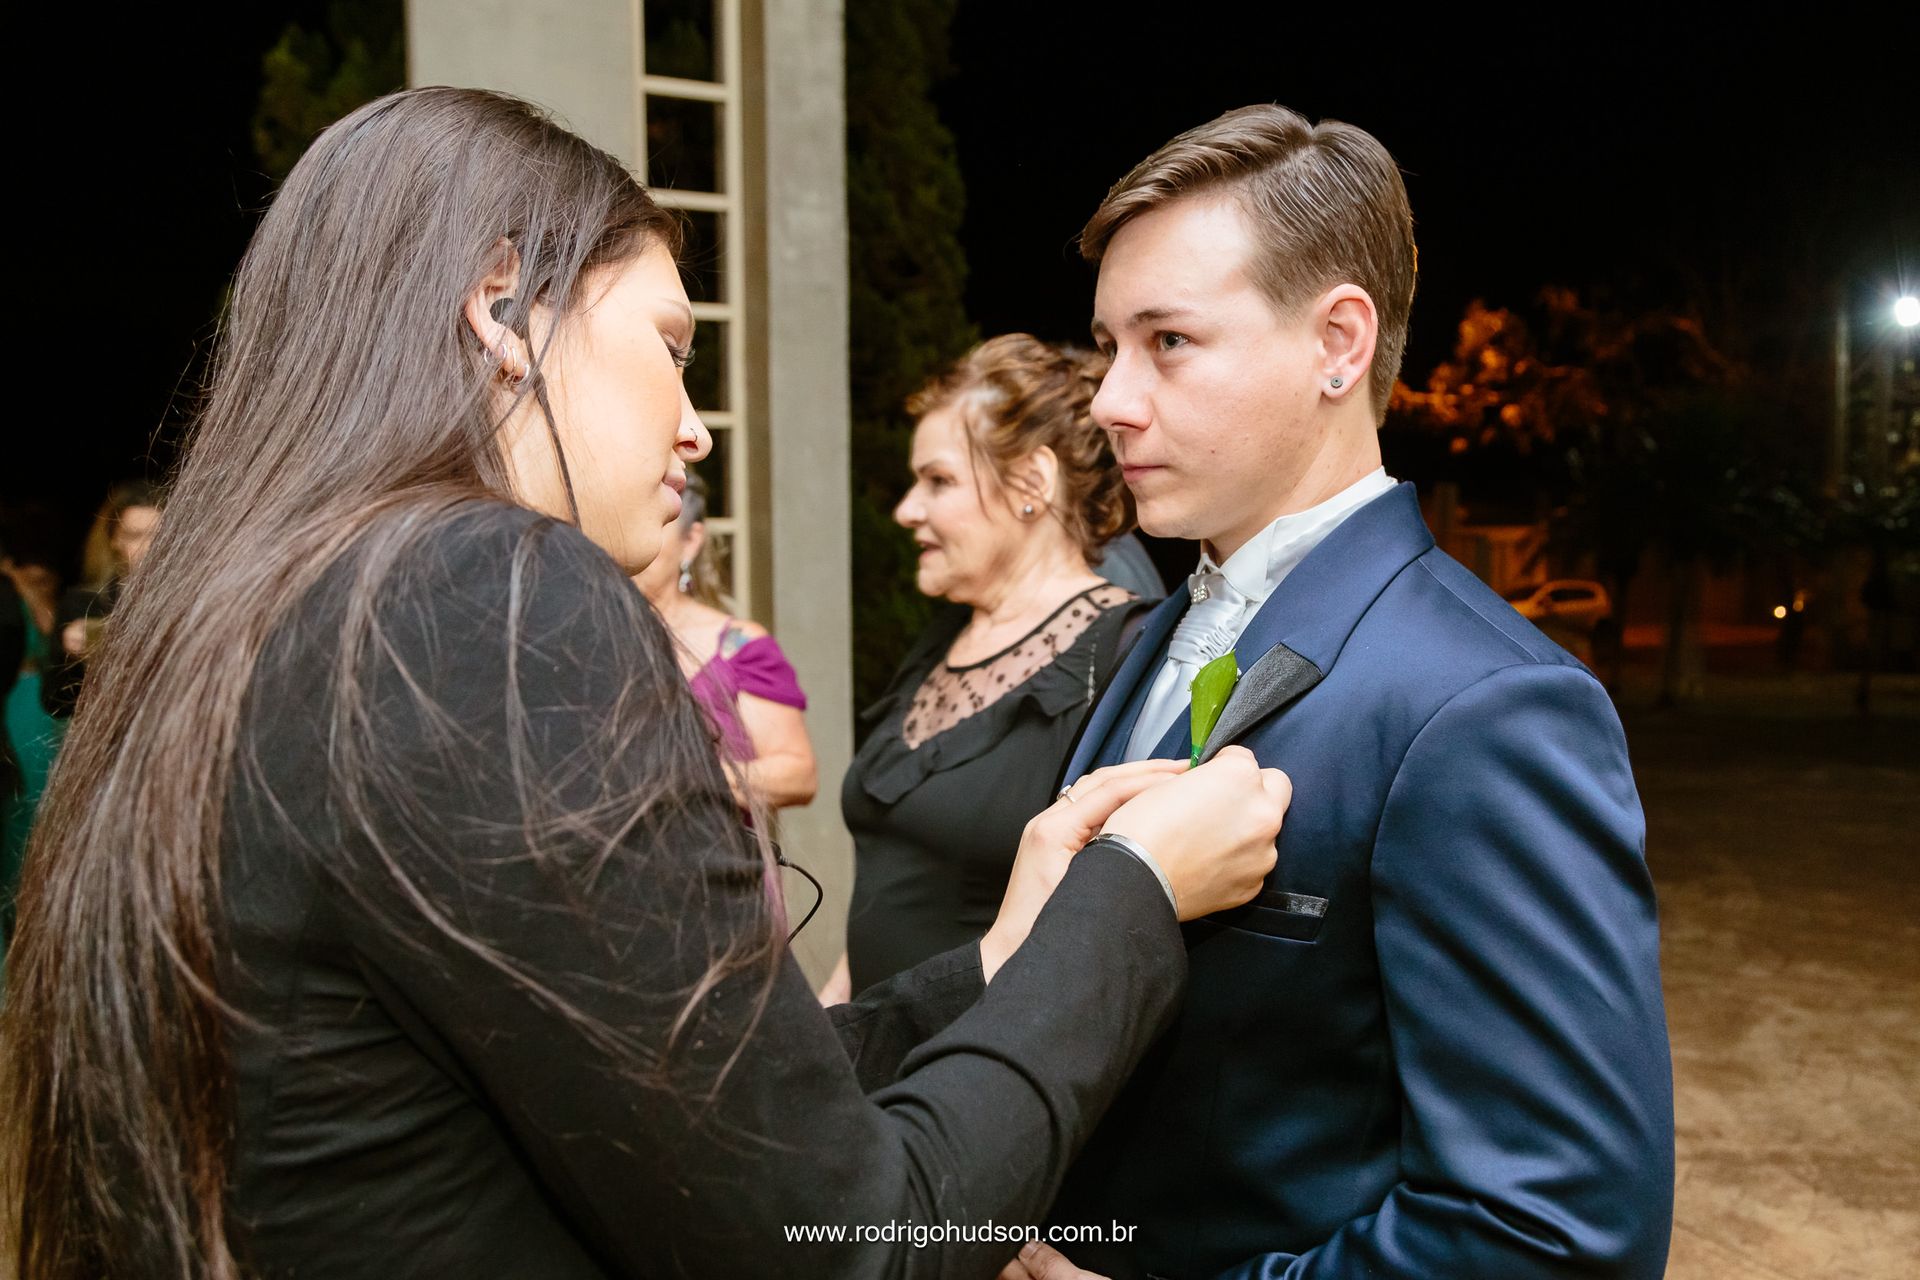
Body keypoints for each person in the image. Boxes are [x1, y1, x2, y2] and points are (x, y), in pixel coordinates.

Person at [0, 88, 1294, 1278]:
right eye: (671, 345)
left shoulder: (271, 613)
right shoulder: (492, 599)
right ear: (504, 309)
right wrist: (1131, 901)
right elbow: (849, 1241)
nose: (696, 423)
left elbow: (669, 1108)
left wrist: (1003, 962)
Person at [1017, 105, 1673, 1280]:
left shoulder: (1487, 708)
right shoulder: (1147, 636)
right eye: (1108, 343)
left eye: (1166, 340)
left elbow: (1560, 1232)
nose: (1111, 397)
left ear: (1339, 342)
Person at [824, 335, 1155, 1004]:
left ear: (1032, 484)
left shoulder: (1124, 653)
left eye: (938, 481)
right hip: (873, 1064)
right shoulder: (946, 636)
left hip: (979, 1079)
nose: (906, 509)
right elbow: (889, 890)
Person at [633, 470, 817, 809]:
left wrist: (681, 782)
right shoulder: (584, 634)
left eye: (657, 529)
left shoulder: (738, 647)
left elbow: (798, 774)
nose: (636, 544)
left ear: (691, 541)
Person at [39, 480, 163, 720]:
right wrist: (72, 659)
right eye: (135, 536)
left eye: (159, 535)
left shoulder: (190, 600)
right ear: (114, 540)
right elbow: (54, 702)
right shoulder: (85, 603)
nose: (150, 547)